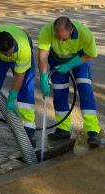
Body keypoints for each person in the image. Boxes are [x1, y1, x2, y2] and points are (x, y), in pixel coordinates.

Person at [38, 16, 101, 148]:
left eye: (64, 37)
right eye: (57, 36)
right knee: (59, 93)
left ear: (71, 30)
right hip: (57, 60)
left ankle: (93, 131)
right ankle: (63, 129)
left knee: (85, 90)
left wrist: (69, 65)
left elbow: (91, 54)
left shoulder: (85, 33)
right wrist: (43, 77)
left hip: (80, 59)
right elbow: (43, 55)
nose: (60, 39)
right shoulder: (46, 31)